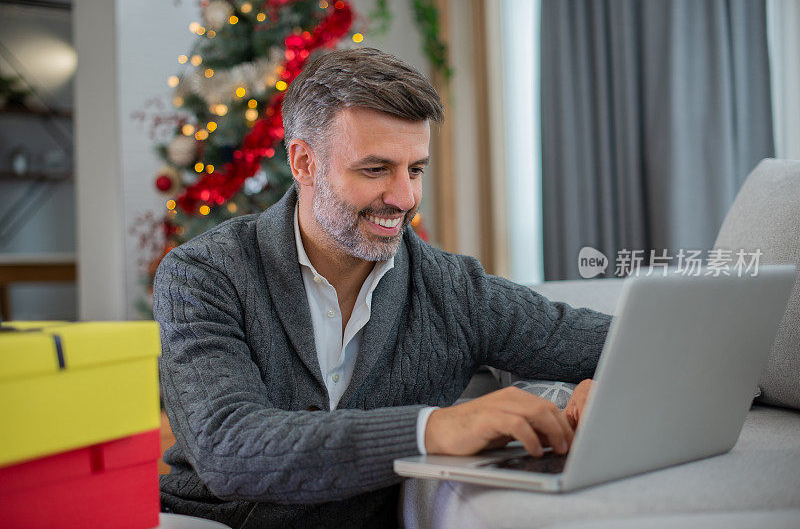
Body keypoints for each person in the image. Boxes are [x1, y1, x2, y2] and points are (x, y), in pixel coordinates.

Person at [154, 47, 611, 528]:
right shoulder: (204, 274)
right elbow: (228, 447)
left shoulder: (454, 289)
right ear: (305, 163)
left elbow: (625, 344)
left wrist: (604, 386)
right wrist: (430, 428)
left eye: (415, 169)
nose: (405, 198)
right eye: (375, 169)